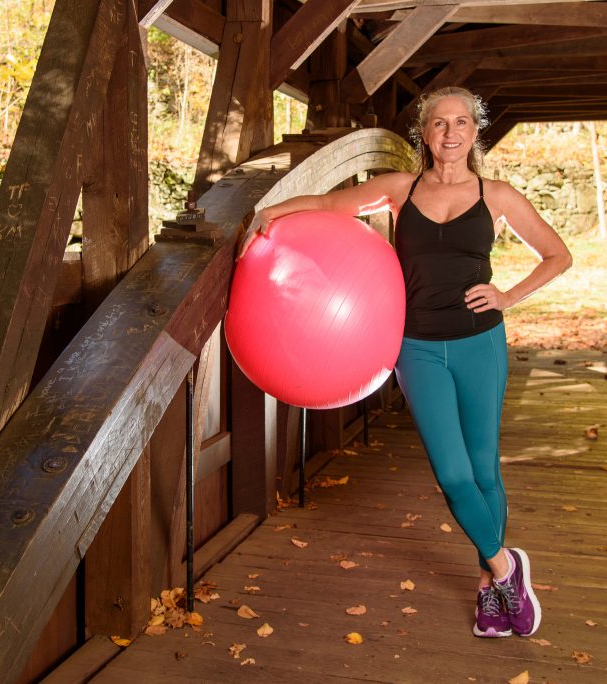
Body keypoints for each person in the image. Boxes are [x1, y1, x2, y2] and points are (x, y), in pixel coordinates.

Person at [238, 87, 572, 638]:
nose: (451, 133)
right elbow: (327, 206)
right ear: (425, 131)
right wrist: (270, 210)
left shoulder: (499, 195)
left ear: (474, 131)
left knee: (484, 469)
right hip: (416, 348)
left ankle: (490, 590)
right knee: (452, 475)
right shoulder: (399, 189)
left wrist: (508, 296)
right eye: (440, 123)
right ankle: (507, 567)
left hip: (478, 342)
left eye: (461, 122)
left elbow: (559, 254)